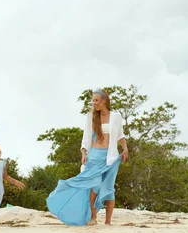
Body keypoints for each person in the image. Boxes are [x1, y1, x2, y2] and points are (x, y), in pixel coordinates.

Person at [46, 88, 128, 226]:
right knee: (94, 185)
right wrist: (84, 153)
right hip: (94, 156)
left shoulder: (116, 117)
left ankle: (108, 222)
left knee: (108, 188)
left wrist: (125, 149)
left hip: (111, 158)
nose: (94, 103)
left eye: (96, 100)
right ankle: (93, 217)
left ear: (104, 100)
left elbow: (120, 135)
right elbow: (86, 137)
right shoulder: (91, 117)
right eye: (93, 101)